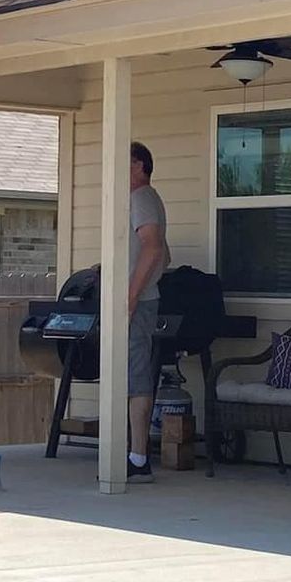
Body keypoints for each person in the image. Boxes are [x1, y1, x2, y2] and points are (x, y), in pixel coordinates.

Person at [125, 141, 169, 482]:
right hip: (139, 298)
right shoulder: (144, 200)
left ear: (139, 166)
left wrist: (131, 294)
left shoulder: (141, 198)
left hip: (137, 304)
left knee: (135, 377)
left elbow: (153, 247)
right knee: (127, 375)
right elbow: (164, 256)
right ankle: (131, 453)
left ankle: (138, 459)